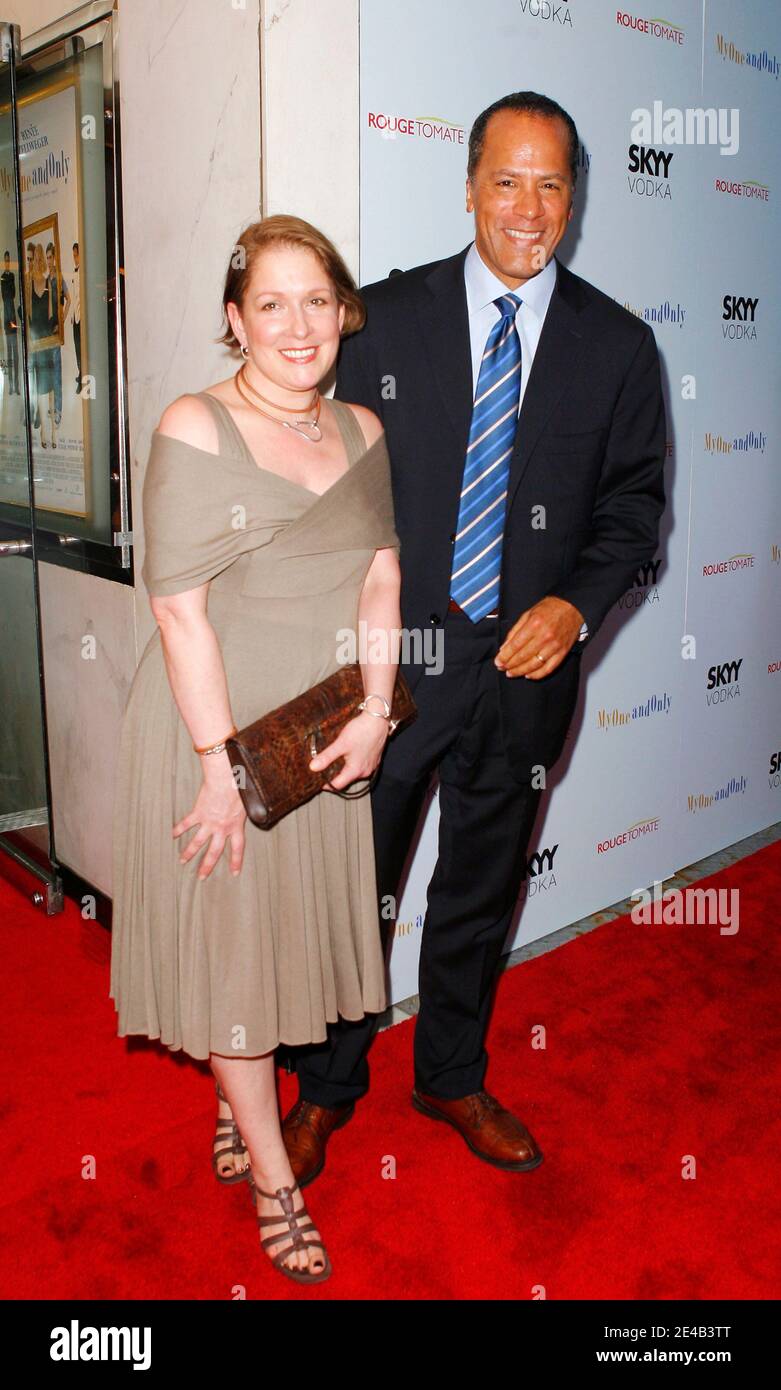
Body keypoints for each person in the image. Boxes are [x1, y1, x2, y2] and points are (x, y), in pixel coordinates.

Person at [276, 91, 667, 1183]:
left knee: (481, 886)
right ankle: (323, 1086)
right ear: (467, 188)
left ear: (573, 199)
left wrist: (576, 604)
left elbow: (635, 510)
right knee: (357, 886)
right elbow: (323, 481)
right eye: (507, 179)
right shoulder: (383, 322)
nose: (528, 207)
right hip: (394, 671)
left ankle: (448, 1072)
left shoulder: (620, 346)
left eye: (551, 184)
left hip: (526, 676)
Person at [109, 214, 402, 1283]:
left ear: (342, 314)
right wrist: (214, 772)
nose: (297, 323)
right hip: (215, 730)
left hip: (318, 735)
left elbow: (378, 577)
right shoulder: (195, 425)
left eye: (316, 300)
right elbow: (178, 612)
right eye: (269, 303)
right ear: (235, 321)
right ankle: (278, 1177)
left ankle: (240, 1110)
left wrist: (375, 708)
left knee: (277, 947)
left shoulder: (364, 429)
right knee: (238, 946)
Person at [1, 251, 20, 396]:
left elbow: (12, 294)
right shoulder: (2, 277)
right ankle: (11, 386)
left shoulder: (11, 276)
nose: (7, 263)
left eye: (9, 260)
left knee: (15, 352)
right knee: (9, 352)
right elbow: (4, 295)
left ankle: (17, 385)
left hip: (12, 314)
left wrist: (9, 283)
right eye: (6, 261)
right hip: (7, 316)